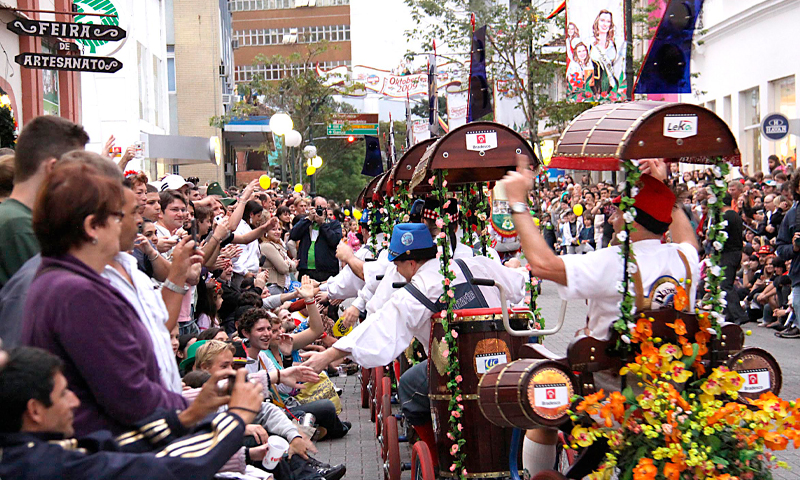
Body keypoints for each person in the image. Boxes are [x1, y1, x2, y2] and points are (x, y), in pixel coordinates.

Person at [500, 155, 700, 477]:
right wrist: (663, 191)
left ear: (632, 219)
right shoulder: (685, 260)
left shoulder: (614, 262)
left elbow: (541, 264)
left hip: (613, 400)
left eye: (620, 209)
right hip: (674, 398)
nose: (613, 214)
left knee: (543, 406)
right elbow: (688, 237)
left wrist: (517, 201)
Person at [300, 223, 526, 464]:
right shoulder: (475, 264)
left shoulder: (418, 289)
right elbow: (518, 287)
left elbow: (381, 325)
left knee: (408, 385)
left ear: (410, 263)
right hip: (505, 361)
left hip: (458, 371)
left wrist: (328, 356)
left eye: (396, 266)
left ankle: (439, 455)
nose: (397, 271)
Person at [21, 163, 190, 436]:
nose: (132, 221)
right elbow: (131, 396)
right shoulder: (77, 293)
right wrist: (196, 411)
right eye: (118, 215)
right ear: (92, 227)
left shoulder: (64, 281)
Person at [0, 346, 264, 480]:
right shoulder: (38, 466)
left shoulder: (29, 452)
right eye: (62, 394)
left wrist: (189, 416)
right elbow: (164, 468)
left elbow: (110, 449)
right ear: (34, 410)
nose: (73, 402)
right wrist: (236, 417)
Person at [0, 116, 89, 288]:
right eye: (79, 170)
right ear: (53, 168)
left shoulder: (18, 219)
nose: (82, 180)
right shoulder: (20, 226)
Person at [291, 196, 342, 282]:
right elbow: (293, 235)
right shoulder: (306, 222)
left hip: (326, 271)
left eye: (324, 209)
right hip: (306, 271)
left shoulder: (333, 224)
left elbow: (334, 240)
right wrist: (308, 219)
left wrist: (322, 224)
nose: (321, 211)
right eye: (319, 208)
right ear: (312, 208)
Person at [261, 216, 297, 295]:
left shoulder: (279, 245)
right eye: (273, 229)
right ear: (266, 232)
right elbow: (283, 268)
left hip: (283, 286)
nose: (277, 232)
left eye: (279, 229)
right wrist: (289, 264)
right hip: (273, 286)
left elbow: (294, 267)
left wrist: (288, 263)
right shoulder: (267, 246)